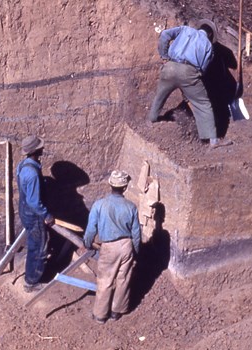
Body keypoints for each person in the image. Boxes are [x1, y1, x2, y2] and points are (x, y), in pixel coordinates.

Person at [148, 19, 233, 148]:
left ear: (200, 28)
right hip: (190, 73)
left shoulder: (185, 29)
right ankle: (213, 141)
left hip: (170, 66)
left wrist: (164, 56)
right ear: (210, 35)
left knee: (160, 95)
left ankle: (152, 119)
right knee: (203, 104)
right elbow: (203, 69)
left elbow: (165, 35)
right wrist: (191, 85)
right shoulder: (209, 46)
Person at [83, 170, 141, 324]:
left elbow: (91, 229)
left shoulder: (99, 205)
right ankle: (117, 311)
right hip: (126, 245)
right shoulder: (131, 207)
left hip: (109, 247)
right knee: (123, 279)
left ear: (110, 185)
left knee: (105, 280)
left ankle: (100, 315)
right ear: (125, 187)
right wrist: (135, 250)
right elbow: (136, 233)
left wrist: (87, 243)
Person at [17, 135, 55, 292]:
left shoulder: (22, 165)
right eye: (40, 147)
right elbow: (34, 202)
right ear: (36, 150)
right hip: (34, 214)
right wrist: (47, 215)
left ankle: (31, 275)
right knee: (39, 247)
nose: (43, 148)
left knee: (35, 244)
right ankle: (31, 282)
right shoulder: (32, 174)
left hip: (25, 210)